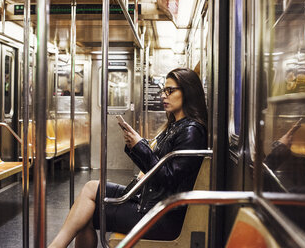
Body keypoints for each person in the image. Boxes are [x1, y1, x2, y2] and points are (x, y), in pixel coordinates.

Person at [48, 68, 208, 248]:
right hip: (149, 198)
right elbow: (155, 170)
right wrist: (136, 146)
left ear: (187, 91)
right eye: (164, 90)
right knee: (90, 187)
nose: (164, 95)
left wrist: (140, 146)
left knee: (87, 215)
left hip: (161, 214)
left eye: (170, 91)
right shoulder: (176, 126)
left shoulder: (191, 131)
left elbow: (169, 179)